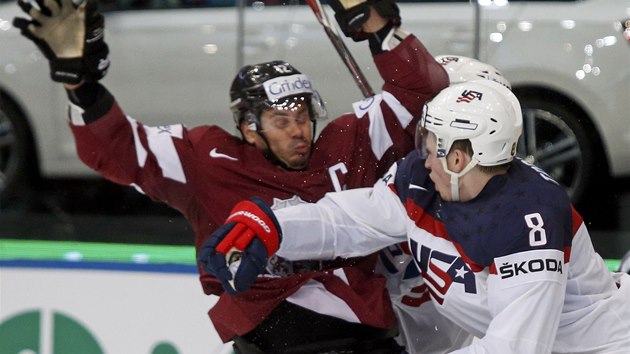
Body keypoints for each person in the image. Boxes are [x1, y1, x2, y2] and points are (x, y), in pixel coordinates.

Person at [13, 0, 449, 352]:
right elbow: (119, 150)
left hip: (364, 339)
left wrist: (375, 24)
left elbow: (424, 91)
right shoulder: (206, 158)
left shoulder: (350, 141)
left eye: (302, 114)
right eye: (281, 120)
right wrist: (83, 88)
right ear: (248, 127)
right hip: (271, 340)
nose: (298, 130)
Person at [202, 79, 630, 353]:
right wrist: (275, 226)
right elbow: (352, 222)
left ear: (461, 156)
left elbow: (515, 347)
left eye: (433, 143)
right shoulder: (424, 179)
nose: (422, 154)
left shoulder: (527, 219)